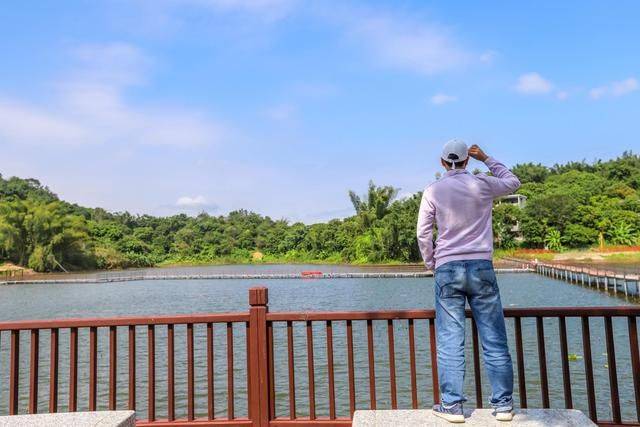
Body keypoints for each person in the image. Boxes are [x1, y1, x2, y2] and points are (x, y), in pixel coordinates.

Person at [416, 139, 520, 423]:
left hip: (448, 269)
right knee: (494, 339)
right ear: (467, 161)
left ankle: (451, 407)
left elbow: (423, 233)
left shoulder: (433, 190)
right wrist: (486, 158)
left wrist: (431, 264)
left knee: (451, 340)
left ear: (441, 163)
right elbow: (513, 182)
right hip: (481, 267)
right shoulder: (483, 184)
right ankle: (503, 406)